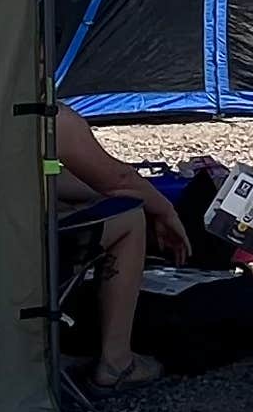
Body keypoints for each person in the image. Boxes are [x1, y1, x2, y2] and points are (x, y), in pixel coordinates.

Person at [55, 115, 193, 393]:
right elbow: (119, 180)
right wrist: (163, 209)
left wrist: (104, 194)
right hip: (22, 256)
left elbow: (50, 179)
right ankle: (116, 363)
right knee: (129, 218)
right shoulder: (43, 114)